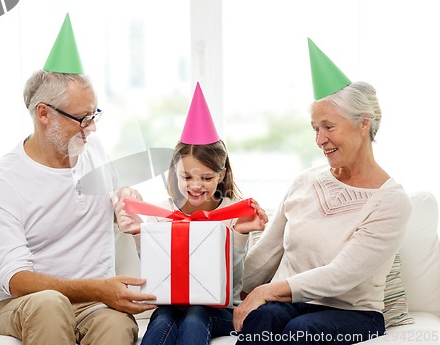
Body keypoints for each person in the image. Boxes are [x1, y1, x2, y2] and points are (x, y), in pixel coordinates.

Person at [0, 14, 155, 345]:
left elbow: (117, 203)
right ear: (43, 114)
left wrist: (126, 203)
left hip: (94, 305)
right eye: (83, 118)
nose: (93, 127)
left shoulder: (93, 149)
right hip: (23, 306)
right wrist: (98, 287)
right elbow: (17, 281)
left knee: (117, 326)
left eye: (95, 114)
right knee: (50, 303)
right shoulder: (0, 182)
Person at [232, 38, 413, 345]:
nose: (319, 139)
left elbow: (341, 274)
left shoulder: (391, 201)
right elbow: (266, 256)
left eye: (328, 127)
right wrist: (230, 267)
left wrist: (266, 291)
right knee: (262, 317)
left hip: (354, 314)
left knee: (301, 331)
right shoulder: (304, 182)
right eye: (315, 128)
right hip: (291, 304)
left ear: (363, 124)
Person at [114, 82, 269, 345]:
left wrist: (240, 235)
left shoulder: (234, 212)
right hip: (171, 305)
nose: (196, 186)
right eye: (187, 176)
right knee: (163, 317)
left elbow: (233, 286)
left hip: (219, 310)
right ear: (174, 170)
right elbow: (157, 275)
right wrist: (140, 234)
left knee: (196, 314)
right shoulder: (160, 211)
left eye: (207, 177)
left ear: (221, 175)